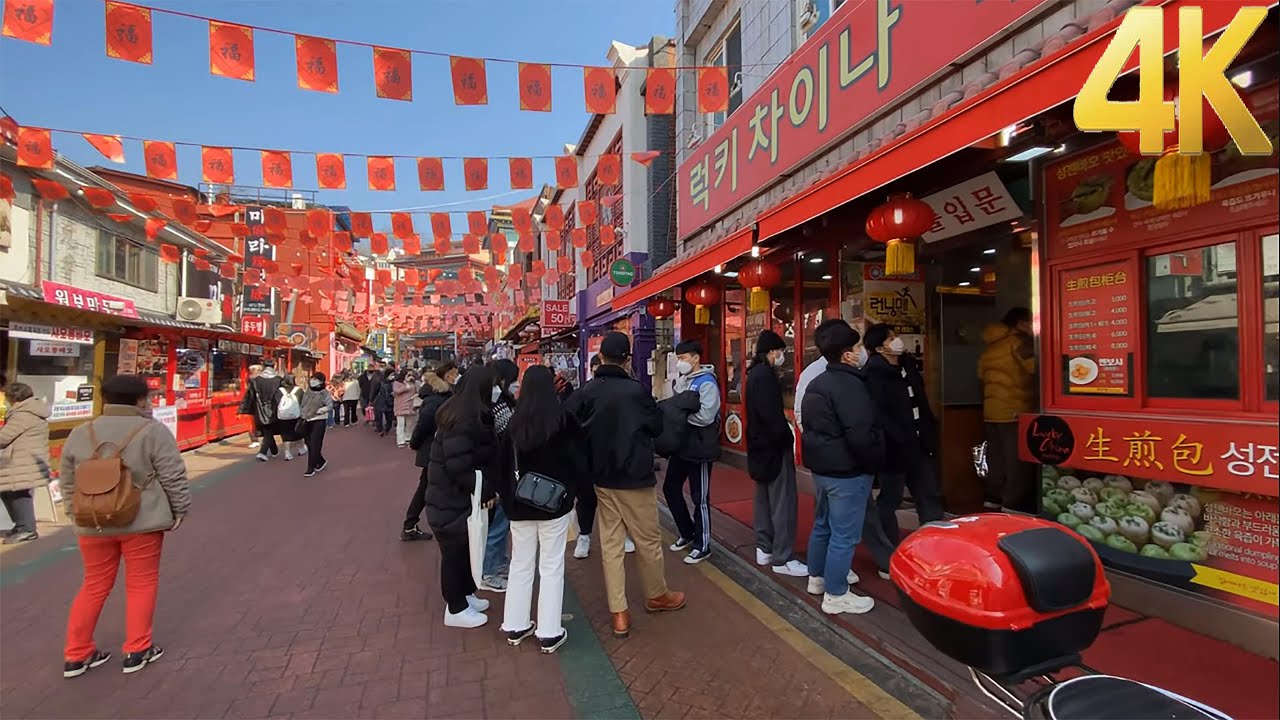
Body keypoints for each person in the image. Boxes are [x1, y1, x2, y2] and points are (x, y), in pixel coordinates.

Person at [58, 374, 190, 677]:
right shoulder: (152, 431)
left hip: (92, 521)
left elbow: (68, 479)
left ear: (105, 399)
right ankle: (137, 648)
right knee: (141, 583)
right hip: (141, 520)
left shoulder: (80, 432)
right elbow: (172, 474)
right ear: (141, 400)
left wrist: (73, 511)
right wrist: (179, 509)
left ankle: (76, 654)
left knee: (93, 585)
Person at [565, 332, 685, 638]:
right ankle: (657, 595)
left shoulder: (586, 392)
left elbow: (568, 427)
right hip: (635, 478)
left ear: (601, 358)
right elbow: (657, 427)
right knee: (647, 541)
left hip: (601, 479)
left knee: (612, 545)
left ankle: (619, 612)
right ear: (627, 359)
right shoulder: (636, 392)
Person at [800, 319, 884, 616]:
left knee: (823, 525)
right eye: (858, 347)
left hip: (822, 470)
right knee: (844, 535)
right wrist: (873, 462)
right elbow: (860, 433)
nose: (862, 352)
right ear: (847, 354)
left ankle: (818, 578)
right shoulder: (850, 385)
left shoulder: (816, 382)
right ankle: (836, 594)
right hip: (848, 472)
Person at [498, 366, 584, 654]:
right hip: (554, 506)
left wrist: (507, 498)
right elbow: (579, 463)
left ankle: (515, 624)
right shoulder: (564, 421)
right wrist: (571, 494)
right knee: (551, 566)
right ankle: (549, 631)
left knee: (520, 564)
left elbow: (501, 467)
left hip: (518, 507)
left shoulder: (513, 423)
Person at [860, 324, 943, 579]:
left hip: (920, 445)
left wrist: (929, 431)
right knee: (890, 499)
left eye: (895, 336)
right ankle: (891, 553)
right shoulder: (873, 374)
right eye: (890, 338)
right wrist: (895, 438)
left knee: (928, 496)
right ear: (878, 348)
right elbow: (878, 415)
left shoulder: (907, 366)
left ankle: (937, 550)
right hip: (894, 450)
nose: (897, 341)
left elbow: (921, 401)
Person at [426, 365, 500, 629]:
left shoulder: (467, 413)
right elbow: (459, 466)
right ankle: (455, 608)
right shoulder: (463, 419)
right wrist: (486, 490)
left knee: (466, 548)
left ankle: (466, 595)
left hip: (455, 499)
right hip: (450, 501)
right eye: (492, 386)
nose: (496, 390)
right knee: (454, 553)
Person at [745, 331, 806, 577]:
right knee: (783, 503)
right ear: (772, 352)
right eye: (781, 352)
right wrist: (787, 438)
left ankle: (765, 547)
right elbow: (773, 417)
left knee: (763, 498)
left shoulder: (753, 375)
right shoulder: (766, 377)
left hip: (758, 447)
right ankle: (783, 557)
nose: (782, 356)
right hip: (774, 447)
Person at [663, 339, 721, 564]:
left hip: (700, 448)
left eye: (684, 358)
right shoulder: (682, 381)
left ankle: (703, 544)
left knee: (701, 498)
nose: (680, 363)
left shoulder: (707, 383)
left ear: (696, 358)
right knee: (670, 488)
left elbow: (706, 416)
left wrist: (679, 419)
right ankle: (687, 532)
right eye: (678, 359)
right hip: (681, 446)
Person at [978, 307, 1037, 512]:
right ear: (1020, 324)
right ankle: (1014, 504)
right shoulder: (1021, 343)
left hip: (991, 412)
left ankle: (992, 499)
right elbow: (1036, 368)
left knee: (996, 459)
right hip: (1015, 410)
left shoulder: (990, 348)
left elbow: (981, 378)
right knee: (1017, 462)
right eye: (1030, 322)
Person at [481, 359, 519, 593]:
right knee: (498, 524)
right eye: (514, 379)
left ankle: (498, 564)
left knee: (501, 524)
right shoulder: (495, 405)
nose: (516, 384)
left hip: (502, 472)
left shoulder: (502, 401)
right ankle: (490, 571)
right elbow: (507, 433)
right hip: (498, 474)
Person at [404, 366, 453, 541]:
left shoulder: (443, 396)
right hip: (433, 450)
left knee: (427, 486)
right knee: (427, 486)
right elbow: (423, 426)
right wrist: (415, 443)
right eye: (452, 373)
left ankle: (411, 524)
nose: (455, 376)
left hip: (436, 449)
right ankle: (410, 525)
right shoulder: (436, 400)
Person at [0, 382, 51, 545]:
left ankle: (27, 529)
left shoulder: (23, 414)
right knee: (10, 492)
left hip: (21, 461)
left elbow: (4, 437)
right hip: (24, 460)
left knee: (18, 494)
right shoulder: (33, 409)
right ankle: (21, 525)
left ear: (15, 398)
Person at [244, 360, 284, 461]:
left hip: (260, 409)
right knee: (269, 429)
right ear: (274, 366)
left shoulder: (256, 380)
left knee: (267, 430)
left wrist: (246, 409)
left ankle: (273, 450)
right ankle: (263, 452)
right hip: (274, 408)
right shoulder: (279, 380)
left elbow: (250, 396)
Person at [299, 372, 332, 478]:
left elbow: (329, 405)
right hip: (307, 420)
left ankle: (310, 468)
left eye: (316, 379)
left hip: (319, 420)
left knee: (315, 444)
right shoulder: (308, 392)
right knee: (309, 444)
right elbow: (303, 404)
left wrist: (319, 411)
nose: (313, 381)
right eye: (312, 378)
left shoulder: (324, 393)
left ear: (321, 381)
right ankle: (321, 461)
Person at [274, 374, 306, 461]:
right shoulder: (298, 390)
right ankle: (302, 448)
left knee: (285, 434)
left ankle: (287, 453)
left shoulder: (279, 391)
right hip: (296, 415)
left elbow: (276, 403)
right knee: (299, 432)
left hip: (283, 416)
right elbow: (303, 402)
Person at [240, 364, 264, 449]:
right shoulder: (251, 381)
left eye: (253, 371)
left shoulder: (256, 381)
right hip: (254, 405)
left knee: (258, 423)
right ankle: (255, 439)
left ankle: (259, 439)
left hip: (258, 405)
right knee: (252, 424)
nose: (252, 373)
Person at [393, 370, 417, 448]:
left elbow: (415, 391)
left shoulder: (413, 383)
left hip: (410, 406)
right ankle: (400, 441)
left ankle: (408, 437)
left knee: (410, 424)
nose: (410, 376)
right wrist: (406, 384)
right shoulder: (397, 383)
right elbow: (398, 391)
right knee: (400, 424)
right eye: (408, 375)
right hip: (400, 406)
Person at [372, 370, 396, 436]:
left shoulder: (394, 383)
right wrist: (371, 400)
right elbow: (374, 392)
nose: (393, 376)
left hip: (389, 402)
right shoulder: (380, 382)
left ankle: (387, 429)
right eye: (391, 375)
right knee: (378, 417)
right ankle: (380, 430)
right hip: (380, 401)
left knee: (389, 418)